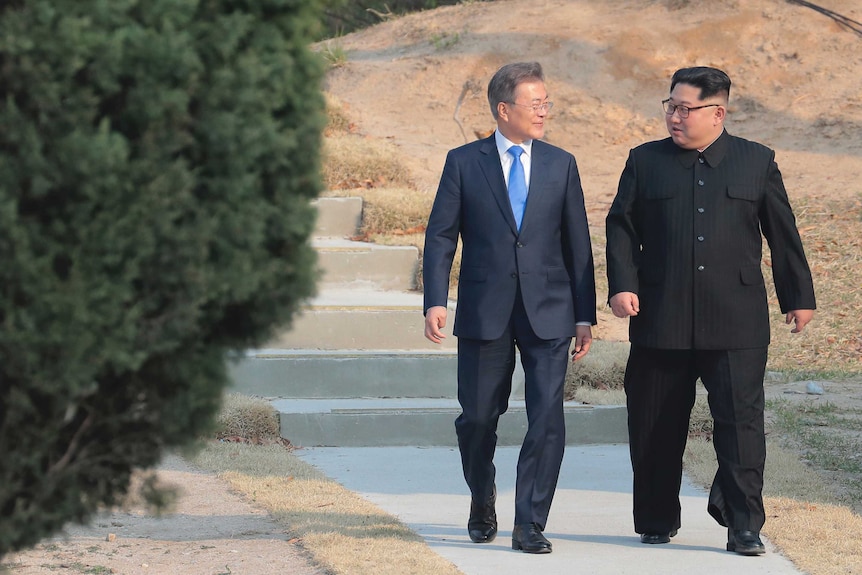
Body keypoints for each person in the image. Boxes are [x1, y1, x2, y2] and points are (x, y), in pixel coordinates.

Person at [605, 66, 816, 556]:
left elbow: (782, 232)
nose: (674, 117)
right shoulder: (644, 161)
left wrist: (798, 296)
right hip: (661, 315)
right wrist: (622, 285)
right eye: (670, 106)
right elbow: (621, 227)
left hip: (736, 318)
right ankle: (656, 519)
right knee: (654, 424)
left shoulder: (756, 161)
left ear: (717, 112)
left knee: (741, 426)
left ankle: (744, 524)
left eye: (685, 108)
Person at [423, 61, 596, 554]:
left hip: (551, 309)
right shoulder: (463, 161)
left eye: (547, 103)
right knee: (477, 417)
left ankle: (530, 523)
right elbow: (440, 236)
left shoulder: (561, 163)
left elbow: (578, 244)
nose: (544, 111)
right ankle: (482, 497)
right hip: (484, 308)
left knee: (546, 418)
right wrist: (436, 298)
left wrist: (584, 313)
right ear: (504, 109)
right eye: (535, 103)